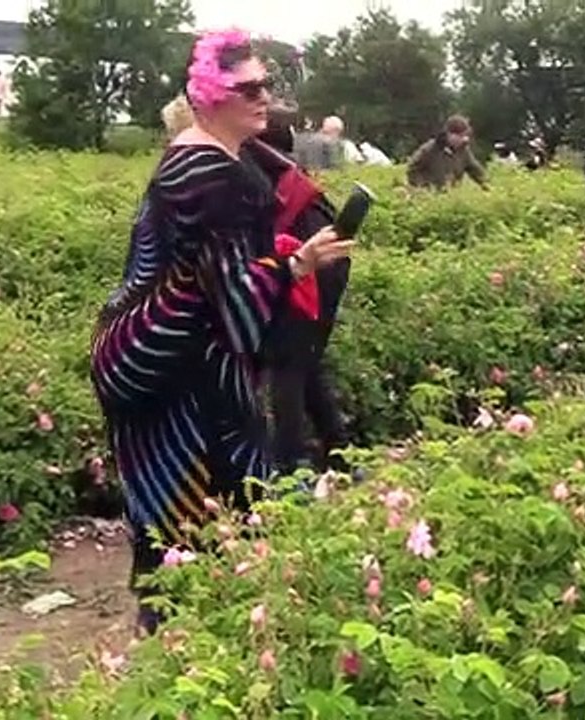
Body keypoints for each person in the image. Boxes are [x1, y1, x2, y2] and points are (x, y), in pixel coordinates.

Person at [89, 29, 352, 636]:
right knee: (217, 505)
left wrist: (290, 263)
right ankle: (199, 650)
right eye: (248, 88)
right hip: (183, 370)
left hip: (142, 355)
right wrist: (297, 267)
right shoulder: (221, 177)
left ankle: (168, 630)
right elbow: (235, 307)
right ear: (210, 97)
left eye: (266, 85)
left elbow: (200, 277)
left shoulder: (191, 154)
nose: (265, 98)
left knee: (164, 507)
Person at [244, 106, 353, 475]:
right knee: (306, 360)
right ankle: (340, 450)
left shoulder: (252, 165)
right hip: (324, 261)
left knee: (287, 362)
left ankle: (289, 466)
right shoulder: (276, 165)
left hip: (310, 266)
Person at [406, 115, 488, 191]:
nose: (463, 139)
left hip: (451, 196)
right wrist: (424, 187)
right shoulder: (430, 149)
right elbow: (412, 170)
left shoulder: (463, 151)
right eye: (459, 136)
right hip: (431, 196)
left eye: (464, 136)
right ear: (449, 134)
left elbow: (475, 170)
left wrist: (488, 186)